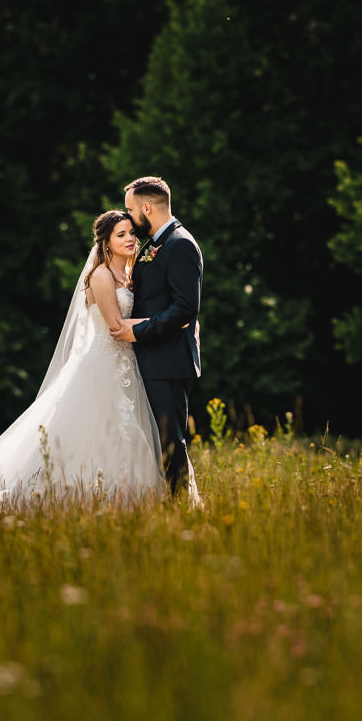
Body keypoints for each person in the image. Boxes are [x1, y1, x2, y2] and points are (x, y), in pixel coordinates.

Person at [0, 210, 177, 523]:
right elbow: (115, 326)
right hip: (101, 365)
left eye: (132, 233)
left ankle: (126, 503)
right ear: (106, 242)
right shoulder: (102, 275)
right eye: (121, 234)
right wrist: (173, 322)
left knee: (124, 435)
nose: (131, 238)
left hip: (125, 367)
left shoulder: (131, 274)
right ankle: (73, 498)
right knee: (91, 434)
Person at [111, 176, 202, 498]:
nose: (129, 218)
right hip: (152, 357)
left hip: (167, 359)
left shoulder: (180, 244)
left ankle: (179, 505)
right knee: (154, 438)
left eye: (131, 210)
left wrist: (137, 330)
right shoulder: (155, 244)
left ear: (146, 207)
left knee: (169, 439)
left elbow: (184, 308)